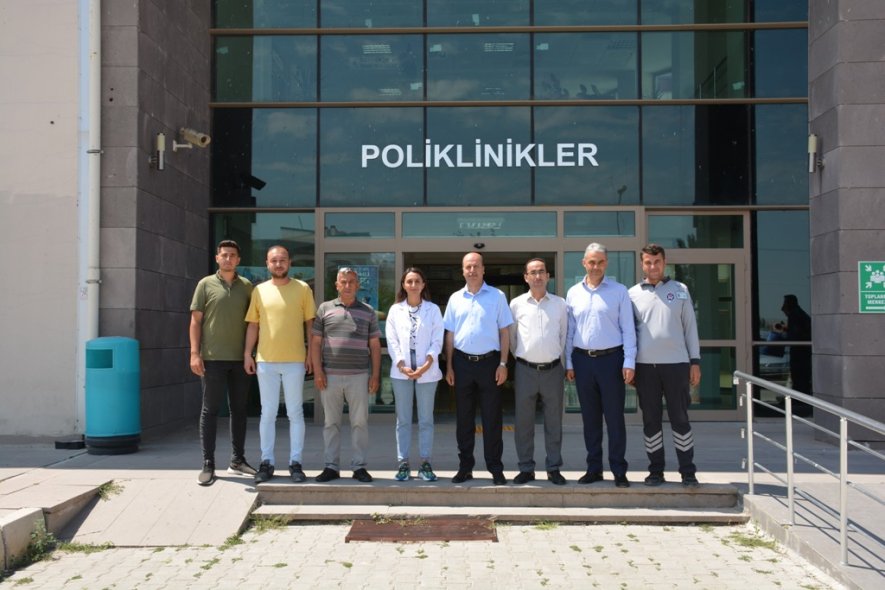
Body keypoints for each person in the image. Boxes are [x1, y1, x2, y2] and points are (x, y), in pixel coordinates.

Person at [628, 244, 701, 487]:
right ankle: (656, 471)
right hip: (645, 368)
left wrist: (695, 361)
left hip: (677, 365)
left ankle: (687, 472)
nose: (653, 266)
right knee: (651, 421)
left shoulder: (680, 290)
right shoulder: (632, 294)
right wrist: (629, 365)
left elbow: (690, 328)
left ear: (664, 262)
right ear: (642, 264)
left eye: (657, 261)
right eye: (648, 262)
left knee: (680, 418)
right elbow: (628, 333)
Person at [565, 242, 636, 488]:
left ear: (606, 263)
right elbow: (570, 331)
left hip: (611, 361)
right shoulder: (573, 293)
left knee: (615, 419)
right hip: (582, 361)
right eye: (591, 262)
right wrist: (569, 362)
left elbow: (629, 329)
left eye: (600, 262)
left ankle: (619, 470)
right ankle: (594, 468)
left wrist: (629, 362)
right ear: (584, 263)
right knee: (590, 419)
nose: (596, 266)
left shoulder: (619, 291)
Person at [244, 245, 316, 484]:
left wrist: (310, 354)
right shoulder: (259, 290)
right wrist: (247, 354)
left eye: (282, 260)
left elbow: (310, 324)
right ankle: (267, 462)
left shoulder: (303, 288)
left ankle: (296, 463)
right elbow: (253, 325)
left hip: (295, 360)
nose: (278, 264)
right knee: (268, 413)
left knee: (295, 413)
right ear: (267, 264)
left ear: (289, 263)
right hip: (266, 361)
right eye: (274, 260)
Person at [444, 251, 514, 485]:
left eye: (476, 266)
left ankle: (495, 468)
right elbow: (450, 335)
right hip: (462, 364)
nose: (472, 270)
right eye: (468, 267)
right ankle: (465, 467)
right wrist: (449, 366)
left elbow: (505, 332)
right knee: (464, 420)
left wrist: (503, 363)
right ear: (462, 270)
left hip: (490, 364)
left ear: (483, 269)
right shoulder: (455, 299)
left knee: (492, 419)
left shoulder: (497, 296)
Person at [189, 240, 255, 486]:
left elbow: (253, 323)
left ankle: (237, 460)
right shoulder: (205, 284)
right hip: (212, 358)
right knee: (210, 410)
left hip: (240, 359)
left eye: (232, 255)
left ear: (238, 260)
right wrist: (194, 353)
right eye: (224, 255)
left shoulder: (246, 286)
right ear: (217, 258)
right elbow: (195, 321)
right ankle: (208, 463)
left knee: (239, 410)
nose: (228, 259)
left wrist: (249, 353)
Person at [311, 267, 382, 483]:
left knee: (359, 422)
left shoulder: (368, 311)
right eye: (344, 281)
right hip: (330, 376)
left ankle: (359, 467)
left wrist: (375, 375)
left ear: (358, 285)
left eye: (352, 281)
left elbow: (375, 345)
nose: (348, 285)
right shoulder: (324, 309)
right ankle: (331, 467)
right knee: (330, 423)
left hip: (359, 376)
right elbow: (316, 343)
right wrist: (318, 371)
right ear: (337, 285)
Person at [509, 258, 568, 486]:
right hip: (525, 370)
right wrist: (524, 357)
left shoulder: (560, 304)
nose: (537, 276)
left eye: (541, 272)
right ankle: (526, 468)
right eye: (532, 272)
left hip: (553, 370)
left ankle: (554, 468)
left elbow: (563, 336)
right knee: (524, 423)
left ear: (548, 276)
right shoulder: (516, 304)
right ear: (526, 277)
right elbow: (512, 339)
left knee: (554, 422)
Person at [385, 267, 444, 482]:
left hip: (427, 372)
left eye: (417, 281)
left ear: (423, 284)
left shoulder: (433, 310)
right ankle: (403, 463)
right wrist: (402, 365)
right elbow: (391, 340)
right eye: (409, 281)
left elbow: (437, 340)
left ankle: (425, 463)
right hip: (401, 372)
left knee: (426, 420)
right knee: (403, 420)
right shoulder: (395, 310)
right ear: (403, 285)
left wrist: (426, 365)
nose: (413, 285)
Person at [781, 294, 813, 416]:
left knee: (799, 376)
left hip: (800, 352)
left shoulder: (795, 315)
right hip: (802, 351)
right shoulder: (799, 314)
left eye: (785, 303)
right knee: (800, 377)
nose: (782, 307)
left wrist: (786, 335)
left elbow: (796, 335)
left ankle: (800, 402)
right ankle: (800, 400)